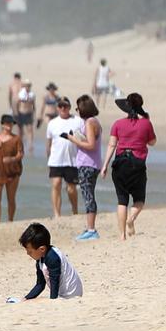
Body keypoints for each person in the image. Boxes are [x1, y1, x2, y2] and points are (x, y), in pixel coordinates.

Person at [101, 93, 156, 241]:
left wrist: (104, 165)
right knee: (139, 199)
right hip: (137, 165)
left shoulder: (118, 124)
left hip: (120, 163)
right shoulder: (146, 123)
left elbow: (112, 144)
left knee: (121, 200)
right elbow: (152, 142)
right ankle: (131, 219)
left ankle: (122, 235)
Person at [67, 95, 102, 240]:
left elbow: (91, 145)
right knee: (89, 194)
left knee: (88, 196)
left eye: (78, 108)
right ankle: (90, 227)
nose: (77, 111)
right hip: (92, 164)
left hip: (88, 164)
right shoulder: (94, 122)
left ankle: (91, 229)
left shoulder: (90, 123)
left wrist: (73, 139)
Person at [18, 223, 83, 300]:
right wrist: (26, 298)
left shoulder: (52, 257)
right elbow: (40, 284)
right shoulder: (40, 258)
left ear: (42, 249)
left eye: (30, 251)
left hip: (71, 294)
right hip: (62, 293)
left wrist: (53, 300)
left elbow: (54, 281)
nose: (28, 253)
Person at [45, 97, 83, 218]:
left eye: (65, 106)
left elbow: (83, 138)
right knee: (56, 184)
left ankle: (75, 210)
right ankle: (57, 214)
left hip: (72, 161)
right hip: (56, 160)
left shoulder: (78, 121)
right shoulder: (52, 123)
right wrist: (48, 159)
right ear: (57, 108)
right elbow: (49, 143)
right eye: (60, 106)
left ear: (69, 107)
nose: (63, 108)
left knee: (71, 188)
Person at [0, 115, 24, 223]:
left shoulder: (16, 139)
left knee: (11, 198)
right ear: (2, 124)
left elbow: (20, 154)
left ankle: (10, 220)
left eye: (11, 124)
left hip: (13, 172)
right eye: (8, 123)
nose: (10, 126)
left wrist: (12, 159)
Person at [16, 79, 36, 153]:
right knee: (20, 130)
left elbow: (34, 104)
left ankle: (30, 144)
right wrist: (16, 112)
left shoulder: (32, 94)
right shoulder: (21, 94)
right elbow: (17, 103)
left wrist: (34, 112)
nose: (28, 87)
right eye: (26, 85)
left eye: (29, 86)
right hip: (21, 113)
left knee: (30, 129)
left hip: (29, 113)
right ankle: (20, 144)